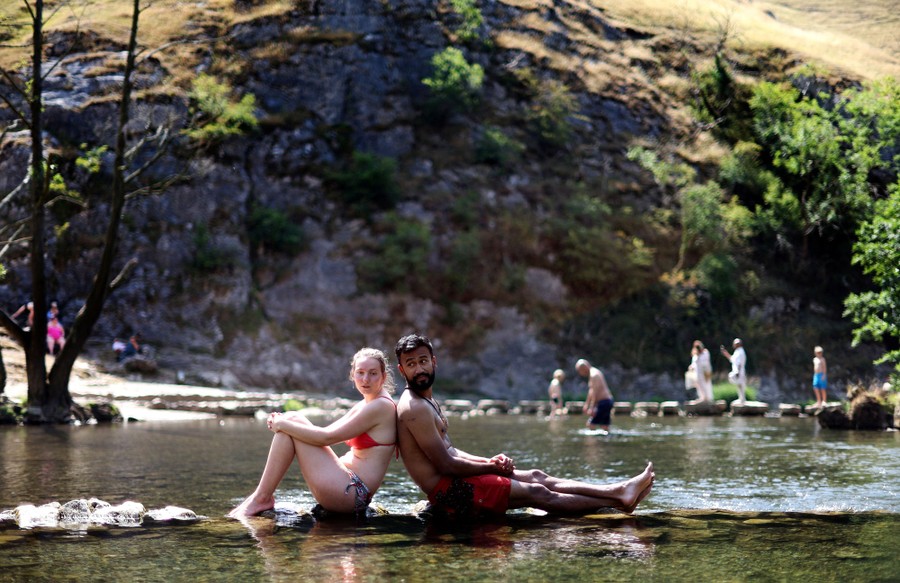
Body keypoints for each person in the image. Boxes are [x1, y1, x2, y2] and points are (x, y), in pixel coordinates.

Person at [395, 333, 654, 520]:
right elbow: (445, 464)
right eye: (411, 364)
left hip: (457, 479)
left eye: (423, 360)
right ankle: (619, 500)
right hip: (449, 491)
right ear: (401, 370)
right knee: (537, 492)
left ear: (434, 361)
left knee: (537, 476)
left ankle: (619, 490)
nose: (419, 368)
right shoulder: (414, 408)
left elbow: (452, 451)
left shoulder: (426, 399)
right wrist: (491, 466)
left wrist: (489, 460)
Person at [229, 347, 398, 518]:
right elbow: (327, 433)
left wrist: (282, 424)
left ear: (383, 376)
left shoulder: (380, 406)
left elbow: (326, 438)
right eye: (360, 372)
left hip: (352, 493)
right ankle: (261, 496)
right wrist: (285, 424)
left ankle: (262, 497)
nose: (365, 379)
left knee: (291, 421)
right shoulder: (368, 403)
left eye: (373, 373)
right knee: (291, 421)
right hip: (347, 486)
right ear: (352, 375)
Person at [577, 358, 614, 431]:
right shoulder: (593, 373)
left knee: (591, 424)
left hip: (604, 402)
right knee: (605, 426)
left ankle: (592, 442)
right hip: (606, 401)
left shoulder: (594, 375)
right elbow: (591, 391)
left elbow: (595, 392)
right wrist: (586, 404)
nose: (580, 373)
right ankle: (605, 441)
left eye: (579, 371)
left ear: (584, 368)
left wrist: (592, 407)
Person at [720, 338, 747, 404]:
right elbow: (732, 359)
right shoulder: (737, 351)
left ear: (739, 344)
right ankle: (741, 399)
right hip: (738, 371)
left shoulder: (740, 351)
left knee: (741, 385)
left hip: (739, 371)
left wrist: (738, 371)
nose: (734, 345)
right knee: (739, 385)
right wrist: (725, 352)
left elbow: (740, 363)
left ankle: (742, 400)